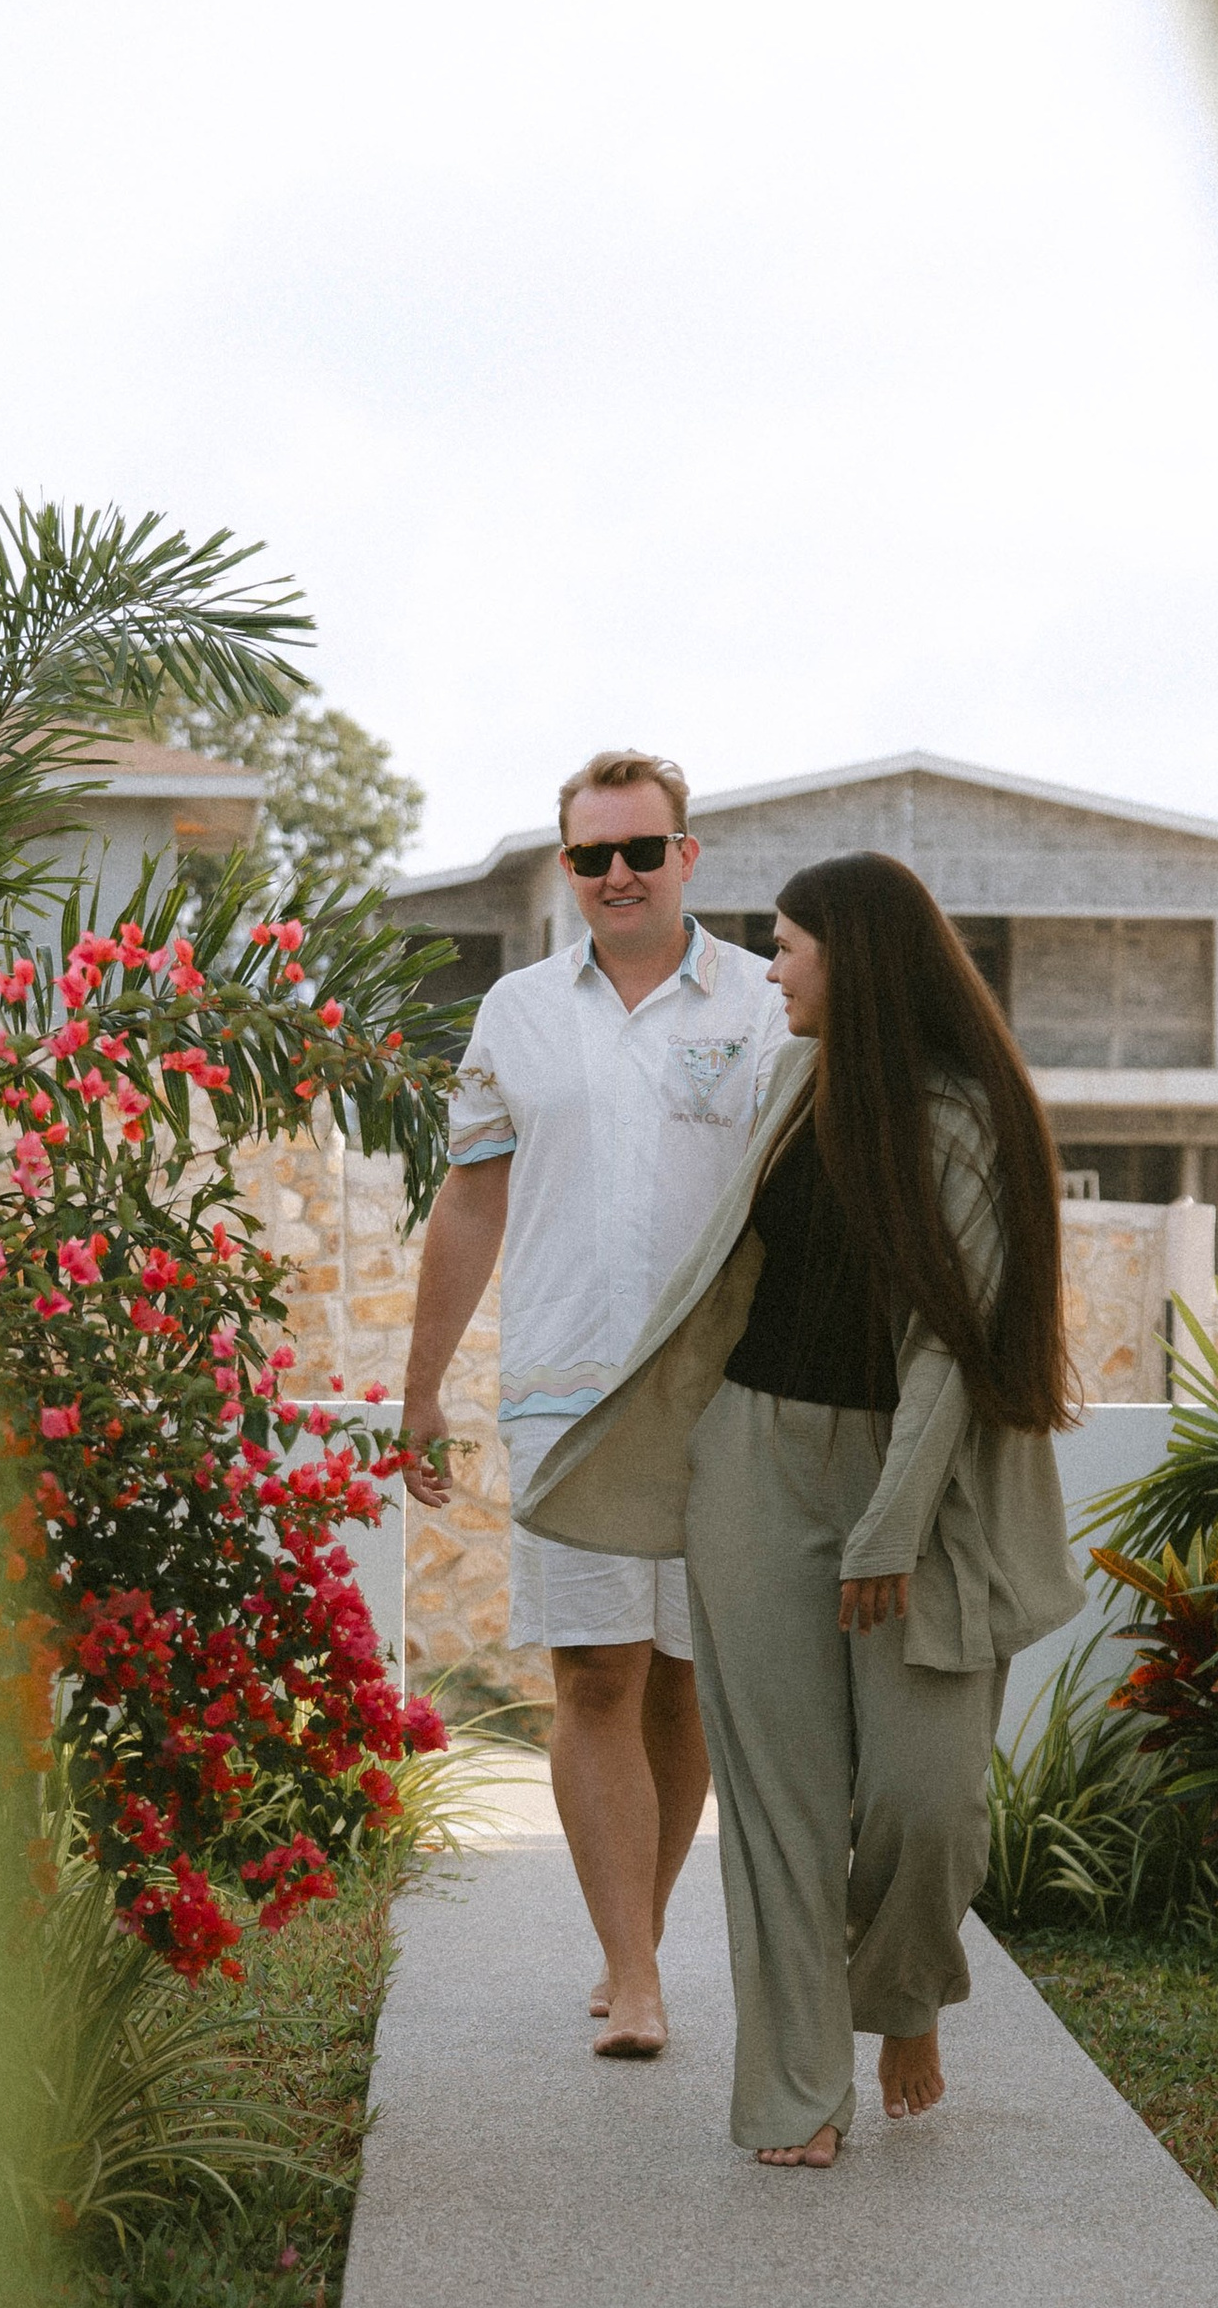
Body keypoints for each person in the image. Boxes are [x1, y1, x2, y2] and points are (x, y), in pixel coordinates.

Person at [519, 851, 1083, 2165]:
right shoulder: (790, 1085)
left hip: (926, 1488)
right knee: (781, 1805)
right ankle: (797, 2090)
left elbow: (952, 1349)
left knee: (926, 1807)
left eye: (787, 947)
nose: (770, 972)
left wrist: (890, 1525)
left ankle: (902, 1999)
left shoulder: (973, 1119)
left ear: (854, 959)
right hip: (755, 1464)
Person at [399, 750, 784, 2057]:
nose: (617, 874)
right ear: (567, 868)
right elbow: (471, 1198)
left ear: (686, 857)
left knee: (685, 1680)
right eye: (590, 856)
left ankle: (639, 1943)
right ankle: (634, 1972)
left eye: (640, 850)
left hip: (722, 1393)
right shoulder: (515, 1012)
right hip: (562, 1392)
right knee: (596, 1670)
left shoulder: (763, 1002)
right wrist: (422, 1386)